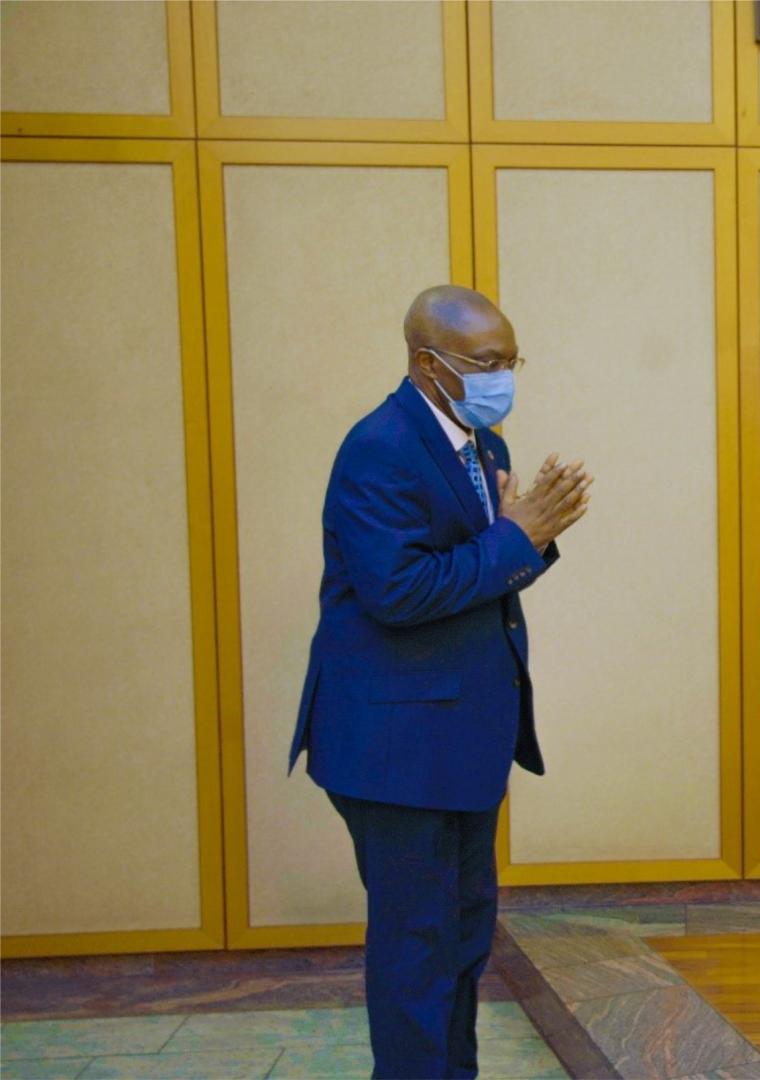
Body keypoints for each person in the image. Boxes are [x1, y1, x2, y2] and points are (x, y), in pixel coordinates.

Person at [287, 285, 591, 1078]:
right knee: (416, 953)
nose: (504, 378)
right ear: (428, 364)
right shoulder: (379, 445)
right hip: (395, 749)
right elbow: (400, 593)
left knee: (460, 940)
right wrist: (516, 535)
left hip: (459, 742)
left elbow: (484, 566)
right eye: (487, 364)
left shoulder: (481, 443)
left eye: (511, 360)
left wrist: (528, 535)